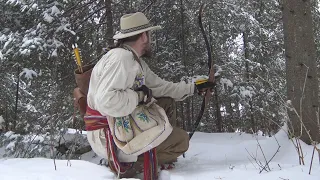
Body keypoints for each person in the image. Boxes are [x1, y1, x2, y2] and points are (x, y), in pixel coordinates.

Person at [84, 12, 215, 178]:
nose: (150, 39)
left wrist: (193, 88)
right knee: (181, 141)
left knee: (166, 101)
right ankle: (131, 163)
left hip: (118, 124)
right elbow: (106, 101)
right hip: (109, 135)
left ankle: (157, 147)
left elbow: (161, 88)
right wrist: (138, 97)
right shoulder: (121, 58)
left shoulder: (133, 59)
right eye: (149, 34)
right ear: (144, 36)